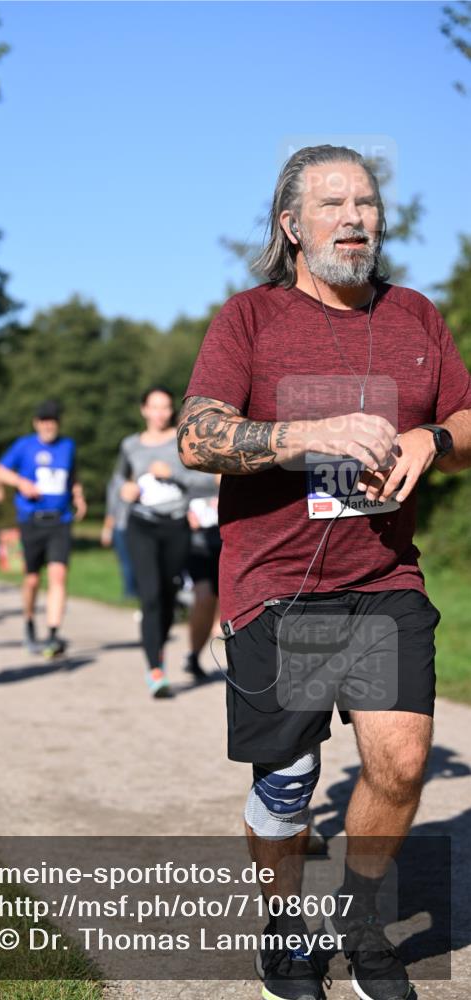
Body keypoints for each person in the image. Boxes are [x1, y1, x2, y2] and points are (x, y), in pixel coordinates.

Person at [178, 145, 471, 1000]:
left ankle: (361, 919)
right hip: (278, 583)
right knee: (289, 781)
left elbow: (467, 418)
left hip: (380, 578)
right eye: (333, 203)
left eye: (367, 202)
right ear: (291, 227)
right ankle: (280, 923)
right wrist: (308, 434)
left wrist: (431, 439)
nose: (354, 217)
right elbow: (197, 436)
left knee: (400, 760)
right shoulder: (251, 320)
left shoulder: (415, 315)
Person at [0, 400, 87, 658]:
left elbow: (72, 475)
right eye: (44, 421)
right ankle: (29, 621)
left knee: (58, 575)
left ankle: (53, 634)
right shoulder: (24, 445)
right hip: (32, 519)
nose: (48, 426)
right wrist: (20, 482)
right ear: (36, 423)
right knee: (32, 579)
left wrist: (78, 496)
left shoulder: (68, 446)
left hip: (60, 520)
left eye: (52, 421)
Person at [114, 386, 191, 698]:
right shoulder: (130, 445)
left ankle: (158, 648)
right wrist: (125, 490)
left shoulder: (183, 440)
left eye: (165, 407)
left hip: (176, 527)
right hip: (141, 525)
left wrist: (174, 473)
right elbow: (120, 478)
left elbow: (204, 478)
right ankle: (155, 670)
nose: (159, 413)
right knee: (150, 596)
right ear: (143, 409)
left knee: (169, 595)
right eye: (154, 407)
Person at [182, 470, 221, 682]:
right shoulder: (188, 460)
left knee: (228, 600)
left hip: (230, 545)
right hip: (198, 547)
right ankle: (194, 655)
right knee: (204, 598)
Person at [101, 473, 138, 600]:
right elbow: (112, 508)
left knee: (130, 562)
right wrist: (107, 530)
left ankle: (132, 592)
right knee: (127, 561)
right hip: (122, 526)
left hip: (135, 528)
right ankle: (130, 593)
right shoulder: (117, 482)